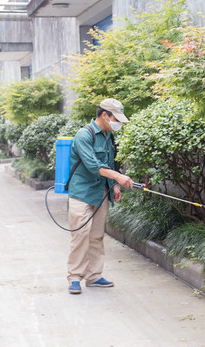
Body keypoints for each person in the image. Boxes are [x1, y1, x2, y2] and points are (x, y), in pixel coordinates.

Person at [66, 98, 133, 294]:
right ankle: (75, 277)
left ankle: (94, 276)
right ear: (105, 115)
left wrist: (114, 186)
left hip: (100, 193)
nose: (118, 123)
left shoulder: (108, 136)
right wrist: (118, 177)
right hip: (81, 193)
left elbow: (110, 163)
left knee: (96, 236)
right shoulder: (84, 135)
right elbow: (93, 165)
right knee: (80, 235)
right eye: (116, 119)